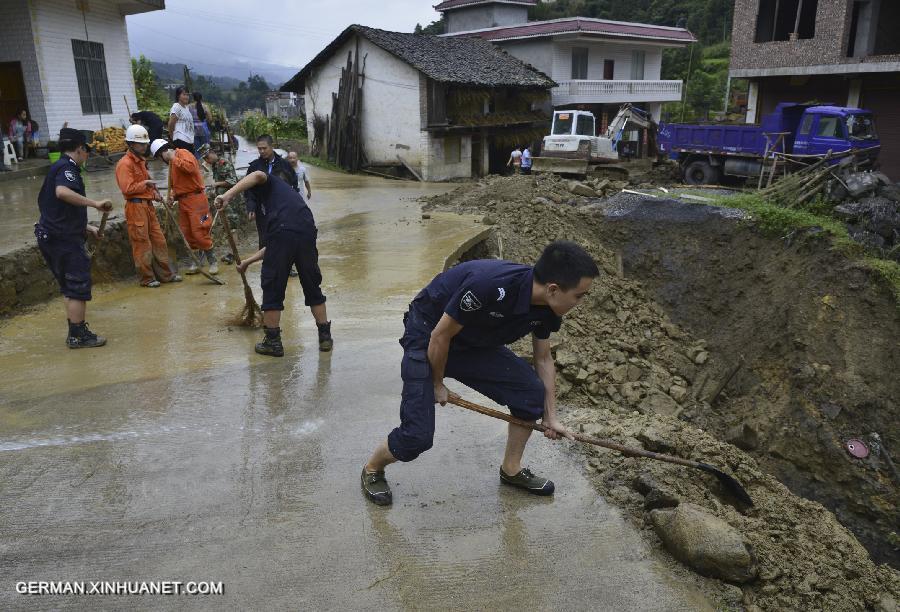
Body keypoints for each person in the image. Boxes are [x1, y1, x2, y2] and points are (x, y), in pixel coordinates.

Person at [360, 241, 599, 506]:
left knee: (531, 394)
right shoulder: (488, 286)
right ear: (553, 289)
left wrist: (550, 416)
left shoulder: (546, 309)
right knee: (417, 437)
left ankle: (511, 470)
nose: (582, 302)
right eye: (580, 295)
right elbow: (440, 335)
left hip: (470, 342)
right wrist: (437, 383)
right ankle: (372, 468)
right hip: (428, 335)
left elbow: (543, 359)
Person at [214, 166, 332, 356]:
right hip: (306, 232)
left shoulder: (270, 183)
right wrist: (247, 262)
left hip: (284, 235)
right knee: (312, 284)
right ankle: (325, 336)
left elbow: (258, 175)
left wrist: (228, 195)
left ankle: (272, 342)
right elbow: (276, 244)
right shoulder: (290, 200)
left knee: (272, 286)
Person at [35, 128, 113, 348]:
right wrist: (95, 204)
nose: (87, 155)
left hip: (54, 235)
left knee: (70, 286)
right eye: (87, 151)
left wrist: (87, 227)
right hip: (63, 241)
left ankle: (75, 330)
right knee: (78, 285)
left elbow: (55, 209)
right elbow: (62, 193)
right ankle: (78, 335)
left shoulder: (57, 167)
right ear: (79, 149)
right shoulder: (67, 168)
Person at [116, 125, 181, 288]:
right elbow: (127, 189)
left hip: (148, 206)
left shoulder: (141, 162)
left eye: (145, 144)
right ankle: (147, 278)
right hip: (136, 208)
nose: (145, 146)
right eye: (141, 144)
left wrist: (156, 196)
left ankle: (166, 275)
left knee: (159, 240)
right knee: (142, 242)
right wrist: (145, 183)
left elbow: (147, 188)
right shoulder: (124, 164)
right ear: (131, 144)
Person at [149, 138, 216, 274]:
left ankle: (212, 261)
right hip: (184, 202)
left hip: (197, 201)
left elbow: (191, 169)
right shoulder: (172, 165)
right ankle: (196, 262)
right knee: (188, 233)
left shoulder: (183, 153)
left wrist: (174, 158)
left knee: (200, 230)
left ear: (163, 152)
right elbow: (178, 185)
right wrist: (172, 196)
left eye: (159, 156)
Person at [245, 134, 297, 248]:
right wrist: (251, 207)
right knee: (265, 239)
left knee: (284, 237)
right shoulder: (254, 167)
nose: (262, 151)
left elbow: (294, 187)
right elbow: (249, 190)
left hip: (282, 208)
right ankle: (268, 263)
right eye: (259, 149)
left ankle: (286, 263)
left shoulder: (285, 165)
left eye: (264, 148)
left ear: (272, 146)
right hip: (262, 209)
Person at [198, 143, 243, 230]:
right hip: (222, 195)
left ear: (212, 153)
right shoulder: (215, 164)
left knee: (232, 217)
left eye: (207, 158)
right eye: (204, 159)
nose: (206, 160)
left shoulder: (224, 163)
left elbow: (233, 181)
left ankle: (235, 233)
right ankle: (204, 222)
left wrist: (217, 184)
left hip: (230, 195)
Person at [167, 86, 195, 153]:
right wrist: (172, 137)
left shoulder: (186, 108)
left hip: (189, 141)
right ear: (178, 96)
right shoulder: (176, 106)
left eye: (187, 95)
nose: (186, 97)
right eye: (184, 94)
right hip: (180, 140)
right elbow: (171, 124)